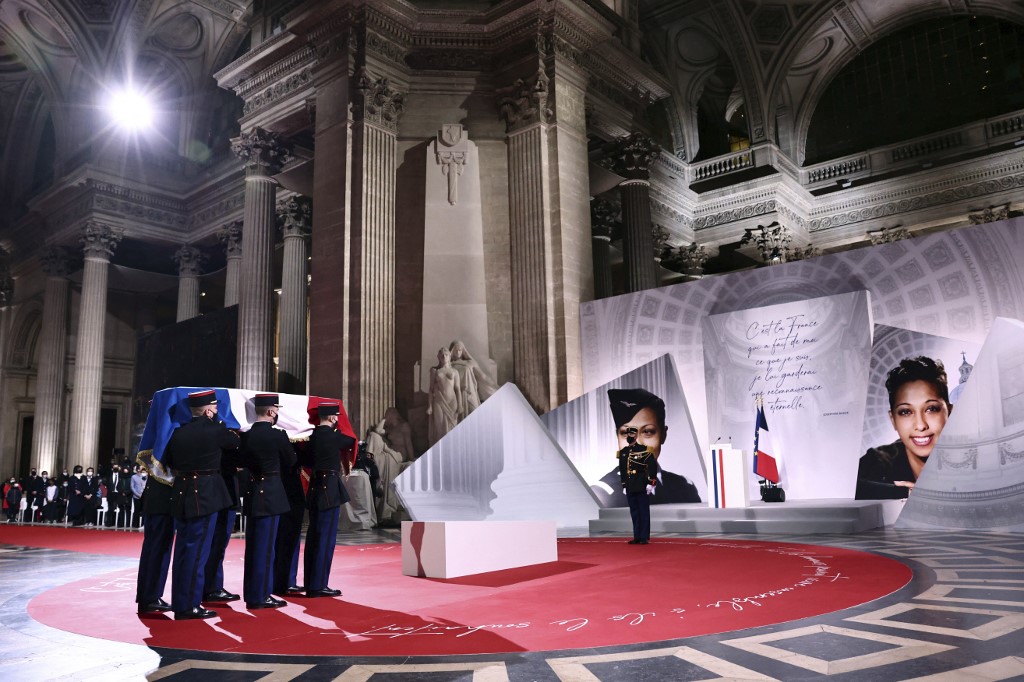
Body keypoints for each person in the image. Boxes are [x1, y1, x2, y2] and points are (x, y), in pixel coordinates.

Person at [162, 389, 241, 620]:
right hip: (205, 494)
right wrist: (219, 422)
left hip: (182, 491)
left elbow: (170, 461)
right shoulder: (216, 429)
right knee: (198, 551)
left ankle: (181, 601)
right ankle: (189, 605)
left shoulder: (178, 433)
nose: (217, 411)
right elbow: (234, 442)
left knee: (184, 550)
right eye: (215, 408)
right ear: (208, 410)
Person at [857, 356, 952, 500]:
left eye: (931, 409)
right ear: (893, 420)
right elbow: (840, 487)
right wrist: (901, 492)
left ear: (950, 412)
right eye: (906, 412)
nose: (920, 425)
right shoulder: (880, 459)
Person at [590, 388, 702, 507]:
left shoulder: (685, 487)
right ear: (617, 436)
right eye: (626, 434)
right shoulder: (602, 494)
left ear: (663, 435)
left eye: (647, 432)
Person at [240, 394, 293, 610]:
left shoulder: (246, 436)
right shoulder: (278, 436)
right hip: (271, 493)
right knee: (267, 548)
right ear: (271, 411)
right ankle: (261, 596)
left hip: (253, 492)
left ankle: (252, 593)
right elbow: (291, 461)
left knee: (253, 547)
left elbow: (242, 461)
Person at [303, 402, 354, 598]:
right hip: (329, 489)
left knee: (314, 537)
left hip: (316, 487)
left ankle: (311, 582)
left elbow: (306, 461)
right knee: (325, 539)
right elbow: (350, 440)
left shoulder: (311, 437)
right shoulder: (334, 437)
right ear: (333, 418)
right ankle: (318, 585)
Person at [605, 389, 660, 544]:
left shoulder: (643, 451)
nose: (629, 438)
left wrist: (651, 482)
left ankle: (644, 537)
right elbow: (623, 469)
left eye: (631, 436)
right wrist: (623, 484)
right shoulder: (623, 453)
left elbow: (651, 466)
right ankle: (636, 536)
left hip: (641, 484)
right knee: (634, 512)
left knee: (643, 511)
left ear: (635, 437)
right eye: (626, 435)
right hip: (630, 485)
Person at [135, 471, 175, 615]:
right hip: (163, 499)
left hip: (154, 497)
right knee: (158, 550)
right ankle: (151, 597)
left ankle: (147, 597)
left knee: (152, 549)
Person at [427, 347, 461, 445]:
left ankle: (451, 449)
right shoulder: (435, 371)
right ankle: (440, 450)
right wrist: (429, 406)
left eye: (446, 355)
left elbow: (458, 389)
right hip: (438, 401)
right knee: (439, 427)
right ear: (438, 357)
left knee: (452, 427)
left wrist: (460, 405)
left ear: (450, 356)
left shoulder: (455, 371)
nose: (444, 356)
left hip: (452, 401)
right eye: (441, 355)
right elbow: (431, 389)